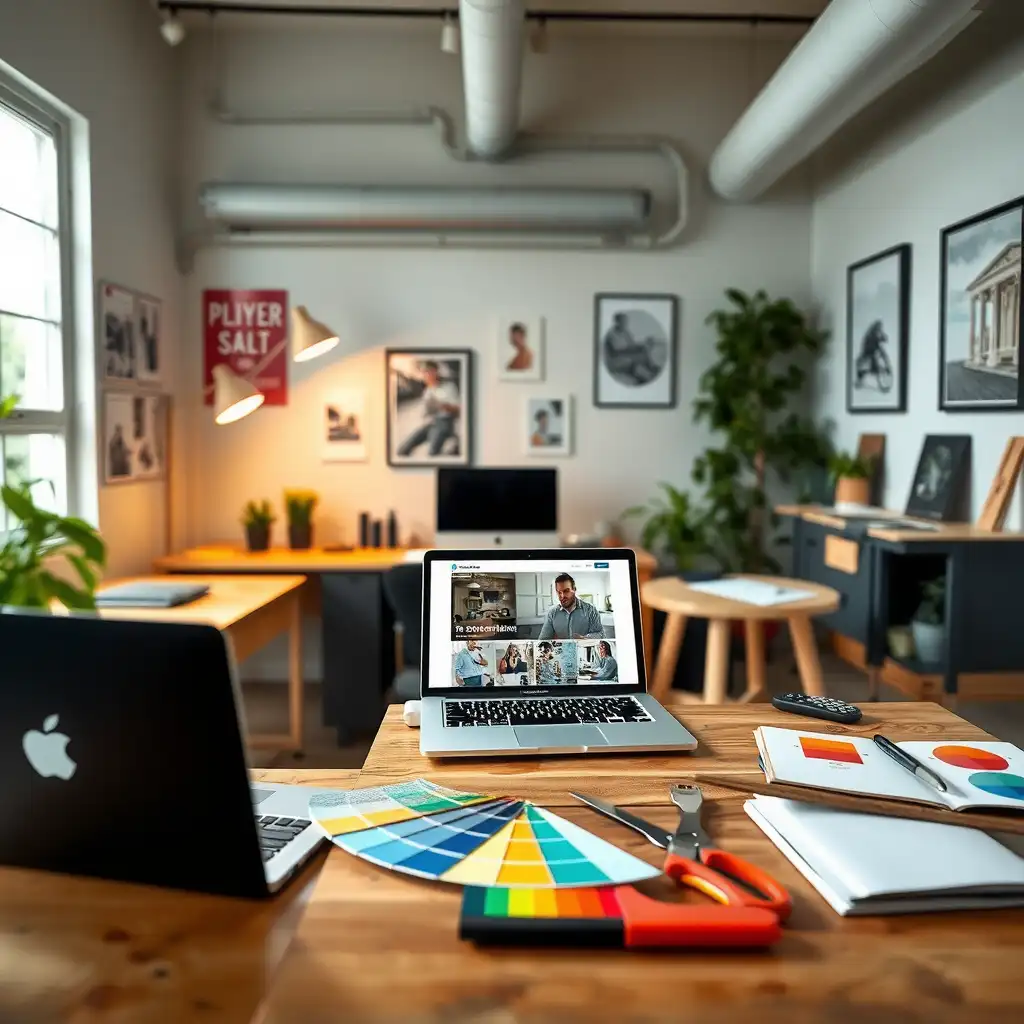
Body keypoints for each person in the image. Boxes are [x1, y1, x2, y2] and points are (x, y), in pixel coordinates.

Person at [397, 361, 461, 458]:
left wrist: (441, 406)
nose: (426, 376)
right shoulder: (428, 391)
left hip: (444, 422)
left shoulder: (449, 388)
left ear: (435, 372)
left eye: (429, 372)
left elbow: (458, 409)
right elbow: (426, 412)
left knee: (432, 453)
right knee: (403, 449)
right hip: (429, 423)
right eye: (424, 373)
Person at [538, 573, 606, 640]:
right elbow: (543, 639)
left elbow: (600, 634)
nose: (562, 596)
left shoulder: (590, 610)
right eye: (559, 592)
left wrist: (585, 638)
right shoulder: (552, 613)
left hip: (584, 649)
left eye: (566, 591)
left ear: (574, 589)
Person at [854, 320, 888, 387]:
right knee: (861, 364)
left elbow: (883, 338)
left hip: (873, 351)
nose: (880, 329)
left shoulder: (875, 332)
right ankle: (862, 377)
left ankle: (881, 369)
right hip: (869, 351)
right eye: (879, 327)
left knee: (867, 364)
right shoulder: (872, 333)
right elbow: (880, 339)